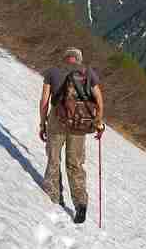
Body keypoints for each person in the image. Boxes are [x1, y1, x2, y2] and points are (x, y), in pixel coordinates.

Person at [39, 47, 104, 224]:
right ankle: (81, 204)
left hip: (56, 121)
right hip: (79, 124)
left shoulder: (52, 72)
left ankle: (53, 196)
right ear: (79, 59)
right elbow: (99, 99)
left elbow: (44, 100)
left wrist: (42, 123)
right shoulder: (88, 72)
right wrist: (98, 122)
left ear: (65, 58)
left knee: (54, 158)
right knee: (75, 164)